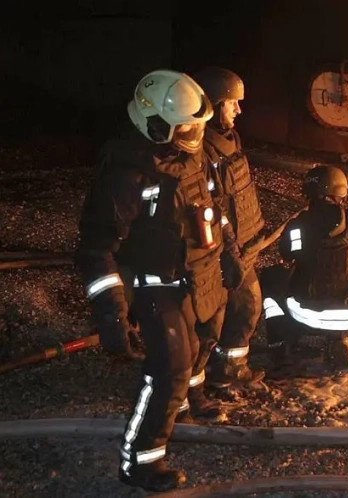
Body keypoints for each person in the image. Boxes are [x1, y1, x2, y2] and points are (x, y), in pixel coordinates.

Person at [75, 69, 242, 492]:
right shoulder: (128, 175)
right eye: (188, 127)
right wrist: (112, 314)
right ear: (156, 125)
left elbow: (212, 207)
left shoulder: (193, 155)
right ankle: (140, 460)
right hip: (154, 285)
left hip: (194, 274)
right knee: (169, 369)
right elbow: (97, 249)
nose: (197, 134)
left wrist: (230, 257)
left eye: (199, 125)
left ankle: (189, 399)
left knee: (204, 338)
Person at [261, 165, 348, 373]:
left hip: (305, 315)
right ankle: (342, 339)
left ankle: (281, 348)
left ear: (310, 195)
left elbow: (286, 254)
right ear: (342, 193)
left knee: (270, 279)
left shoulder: (298, 226)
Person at [191, 66, 267, 389]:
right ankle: (195, 384)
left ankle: (229, 367)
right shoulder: (201, 152)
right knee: (213, 320)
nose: (239, 109)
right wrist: (231, 251)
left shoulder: (229, 141)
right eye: (232, 103)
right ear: (213, 104)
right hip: (219, 252)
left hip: (241, 246)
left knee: (244, 307)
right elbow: (212, 208)